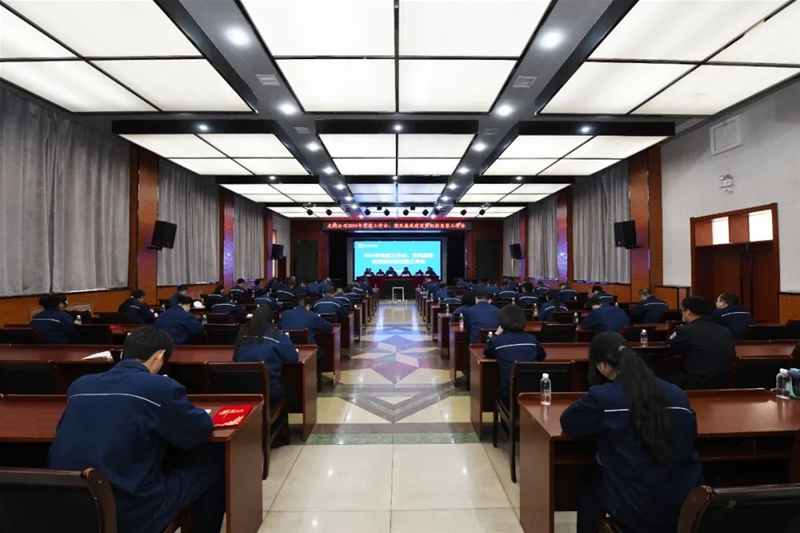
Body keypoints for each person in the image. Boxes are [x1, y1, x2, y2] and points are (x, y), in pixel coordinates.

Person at [48, 327, 225, 533]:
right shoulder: (159, 387)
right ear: (160, 355)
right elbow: (198, 431)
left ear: (123, 354)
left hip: (71, 507)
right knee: (214, 458)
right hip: (130, 513)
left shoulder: (80, 385)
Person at [561, 332, 703, 533]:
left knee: (589, 486)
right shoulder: (676, 393)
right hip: (687, 507)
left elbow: (569, 423)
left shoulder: (603, 397)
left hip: (639, 511)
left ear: (602, 366)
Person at [233, 307, 298, 406]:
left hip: (241, 389)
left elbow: (235, 358)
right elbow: (292, 357)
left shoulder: (242, 334)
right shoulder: (277, 335)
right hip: (269, 390)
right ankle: (277, 414)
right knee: (290, 389)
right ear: (272, 321)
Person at [665, 296, 735, 389]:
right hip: (723, 383)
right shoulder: (725, 330)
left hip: (695, 383)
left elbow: (666, 349)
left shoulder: (684, 331)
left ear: (688, 312)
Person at [483, 305, 547, 402]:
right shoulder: (531, 339)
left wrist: (496, 334)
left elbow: (487, 352)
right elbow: (542, 356)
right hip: (533, 394)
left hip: (509, 395)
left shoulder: (497, 341)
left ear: (502, 322)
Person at [279, 297, 332, 366]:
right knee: (321, 353)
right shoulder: (312, 316)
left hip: (287, 349)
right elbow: (329, 328)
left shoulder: (285, 314)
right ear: (308, 306)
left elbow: (280, 327)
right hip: (308, 350)